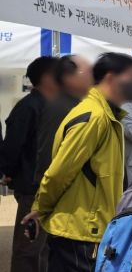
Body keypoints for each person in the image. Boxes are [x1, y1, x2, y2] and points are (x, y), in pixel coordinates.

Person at [24, 52, 132, 272]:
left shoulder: (104, 114)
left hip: (81, 228)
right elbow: (58, 173)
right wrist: (40, 208)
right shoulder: (94, 117)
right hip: (82, 231)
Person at [0, 56, 58, 272]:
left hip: (44, 183)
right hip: (31, 183)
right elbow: (13, 145)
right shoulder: (29, 106)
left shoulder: (47, 104)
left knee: (43, 242)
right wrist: (8, 172)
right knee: (29, 240)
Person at [35, 55, 94, 186]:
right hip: (64, 189)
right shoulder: (61, 107)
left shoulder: (79, 103)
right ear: (69, 77)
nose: (92, 77)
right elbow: (49, 152)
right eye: (87, 72)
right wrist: (47, 190)